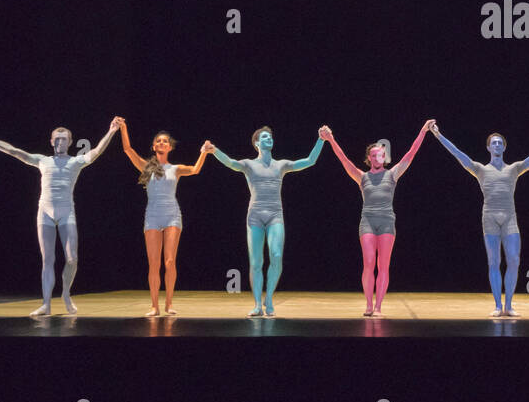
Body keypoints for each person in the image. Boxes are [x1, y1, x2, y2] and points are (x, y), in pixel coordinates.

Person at [0, 118, 121, 315]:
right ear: (51, 142)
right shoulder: (42, 160)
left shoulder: (75, 162)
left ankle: (66, 294)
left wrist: (112, 131)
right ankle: (46, 304)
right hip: (45, 212)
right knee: (48, 259)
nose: (60, 143)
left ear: (70, 142)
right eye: (57, 139)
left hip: (67, 212)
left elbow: (96, 151)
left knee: (72, 258)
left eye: (64, 140)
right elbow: (13, 151)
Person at [432, 122, 529, 316]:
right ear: (488, 147)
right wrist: (438, 135)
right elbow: (457, 153)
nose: (497, 145)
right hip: (489, 217)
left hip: (509, 218)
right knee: (493, 262)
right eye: (493, 143)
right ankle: (498, 305)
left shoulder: (514, 168)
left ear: (504, 147)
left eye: (500, 143)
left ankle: (509, 305)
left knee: (514, 260)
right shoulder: (479, 169)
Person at [209, 126, 325, 317]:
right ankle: (257, 304)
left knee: (277, 255)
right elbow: (230, 163)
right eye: (264, 137)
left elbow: (310, 161)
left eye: (270, 136)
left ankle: (269, 298)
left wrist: (320, 140)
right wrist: (214, 150)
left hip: (275, 215)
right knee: (256, 262)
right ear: (256, 143)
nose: (269, 139)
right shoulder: (248, 164)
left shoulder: (281, 165)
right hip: (254, 216)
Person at [321, 121, 433, 316]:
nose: (377, 157)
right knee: (369, 262)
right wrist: (330, 139)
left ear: (385, 156)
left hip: (387, 222)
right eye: (373, 155)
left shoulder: (393, 174)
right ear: (368, 158)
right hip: (368, 222)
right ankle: (368, 305)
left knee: (383, 265)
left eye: (380, 154)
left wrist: (423, 130)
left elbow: (411, 153)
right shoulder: (361, 177)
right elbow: (343, 159)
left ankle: (379, 306)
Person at [118, 119, 211, 316]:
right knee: (154, 263)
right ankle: (154, 306)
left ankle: (168, 304)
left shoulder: (175, 168)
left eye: (164, 141)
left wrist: (204, 151)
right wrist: (124, 127)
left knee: (169, 261)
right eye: (158, 141)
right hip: (152, 215)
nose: (161, 143)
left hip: (172, 215)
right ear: (153, 146)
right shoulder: (146, 166)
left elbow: (195, 169)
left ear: (169, 147)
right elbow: (127, 149)